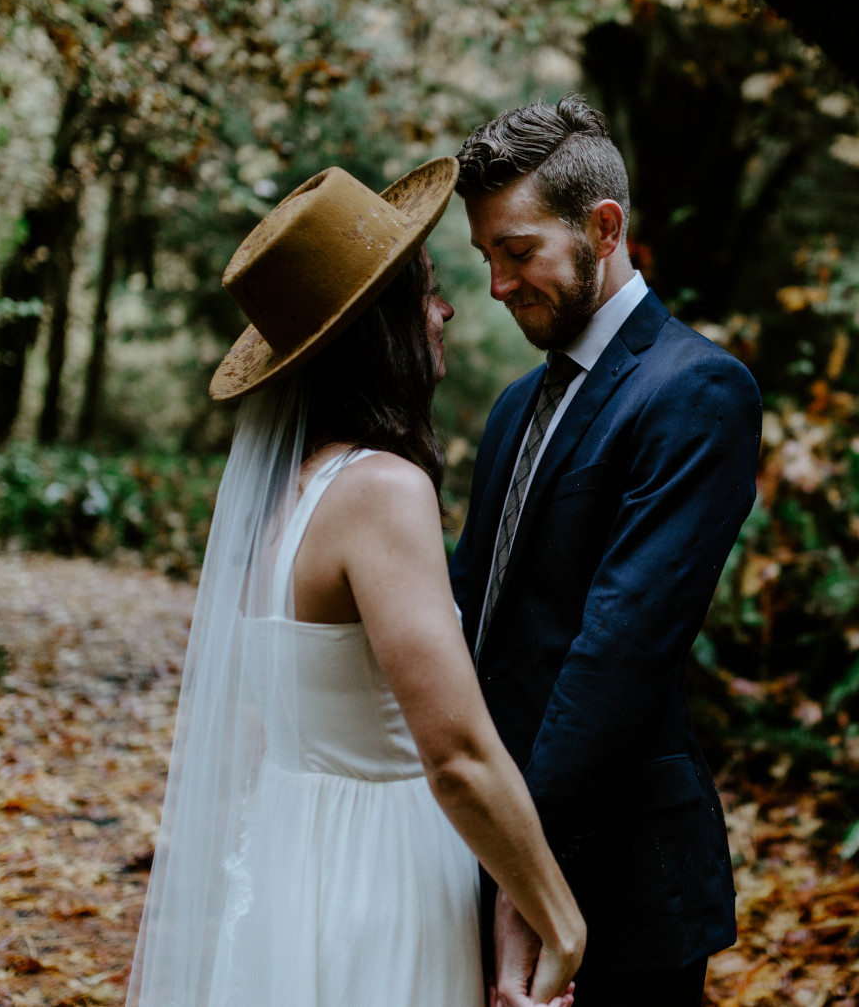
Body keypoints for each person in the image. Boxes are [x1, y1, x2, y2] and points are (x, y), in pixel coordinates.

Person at [126, 161, 584, 1007]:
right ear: (380, 329)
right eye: (428, 293)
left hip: (290, 863)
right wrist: (561, 920)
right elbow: (455, 755)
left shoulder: (283, 502)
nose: (444, 311)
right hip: (383, 873)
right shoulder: (380, 491)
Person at [450, 96, 762, 1007]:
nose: (499, 286)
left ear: (605, 226)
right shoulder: (514, 406)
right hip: (487, 851)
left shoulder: (698, 390)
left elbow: (618, 651)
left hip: (621, 874)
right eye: (486, 260)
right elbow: (473, 618)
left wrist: (526, 880)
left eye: (517, 251)